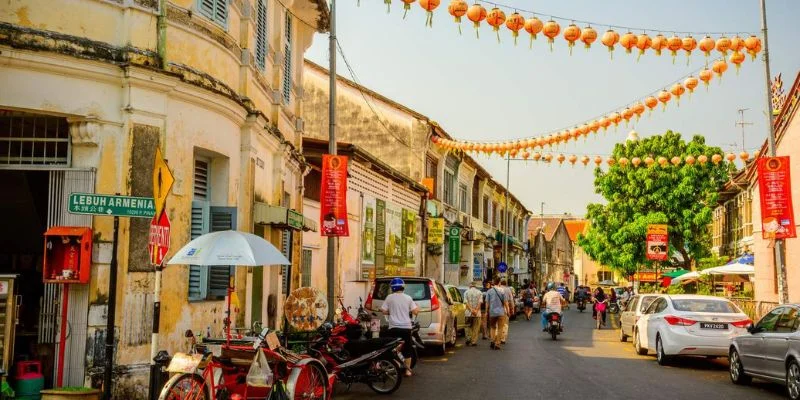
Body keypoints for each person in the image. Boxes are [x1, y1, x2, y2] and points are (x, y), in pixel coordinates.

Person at [380, 278, 419, 376]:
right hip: (406, 327)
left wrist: (391, 312)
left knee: (394, 348)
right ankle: (408, 371)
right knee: (407, 349)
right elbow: (415, 311)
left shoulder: (389, 297)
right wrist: (417, 308)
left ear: (392, 288)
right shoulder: (408, 298)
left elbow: (383, 310)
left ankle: (395, 368)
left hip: (393, 327)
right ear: (403, 287)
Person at [485, 276, 509, 350]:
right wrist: (508, 311)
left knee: (492, 327)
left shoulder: (489, 291)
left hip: (492, 312)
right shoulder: (502, 291)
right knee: (500, 328)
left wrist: (486, 311)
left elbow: (487, 303)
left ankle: (492, 341)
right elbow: (505, 302)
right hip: (501, 312)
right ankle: (497, 343)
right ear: (499, 283)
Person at [463, 281, 483, 346]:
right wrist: (476, 311)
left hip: (468, 313)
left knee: (468, 326)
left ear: (470, 286)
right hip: (477, 314)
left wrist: (471, 310)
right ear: (475, 286)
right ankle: (474, 341)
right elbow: (480, 303)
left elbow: (466, 303)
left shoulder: (466, 292)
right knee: (476, 328)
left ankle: (468, 338)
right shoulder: (479, 292)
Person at [499, 279, 514, 344]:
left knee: (497, 324)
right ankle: (503, 338)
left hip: (496, 308)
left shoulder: (497, 289)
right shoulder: (508, 290)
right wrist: (512, 309)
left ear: (500, 283)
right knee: (505, 324)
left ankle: (496, 337)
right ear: (506, 284)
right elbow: (511, 300)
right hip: (505, 308)